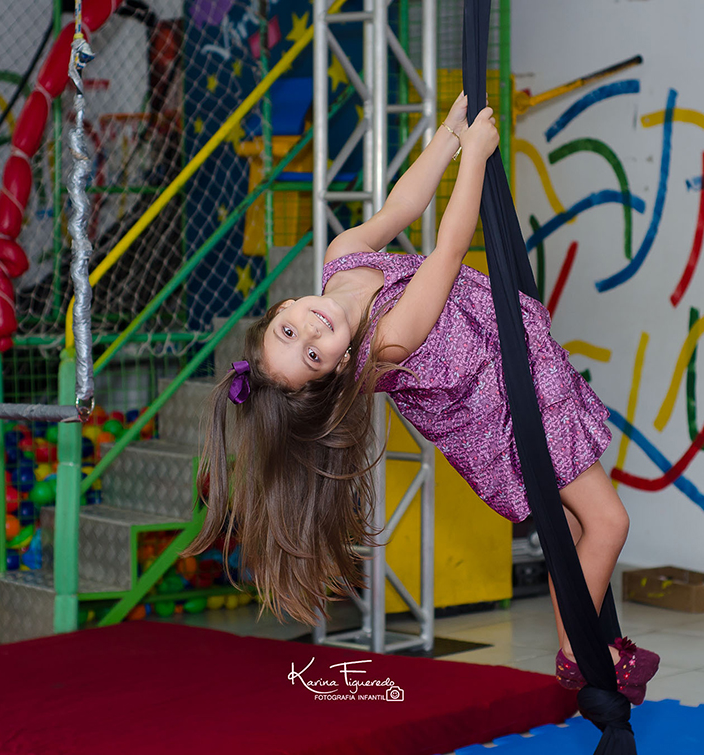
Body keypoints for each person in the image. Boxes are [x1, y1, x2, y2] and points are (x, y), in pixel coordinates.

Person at [182, 92, 660, 703]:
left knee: (577, 527)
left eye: (291, 329)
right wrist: (477, 161)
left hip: (514, 370)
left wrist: (447, 137)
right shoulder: (386, 340)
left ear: (283, 307)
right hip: (504, 411)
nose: (312, 330)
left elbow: (402, 206)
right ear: (332, 371)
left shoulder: (338, 261)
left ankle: (579, 645)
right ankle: (577, 652)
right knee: (608, 521)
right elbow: (449, 250)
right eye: (310, 355)